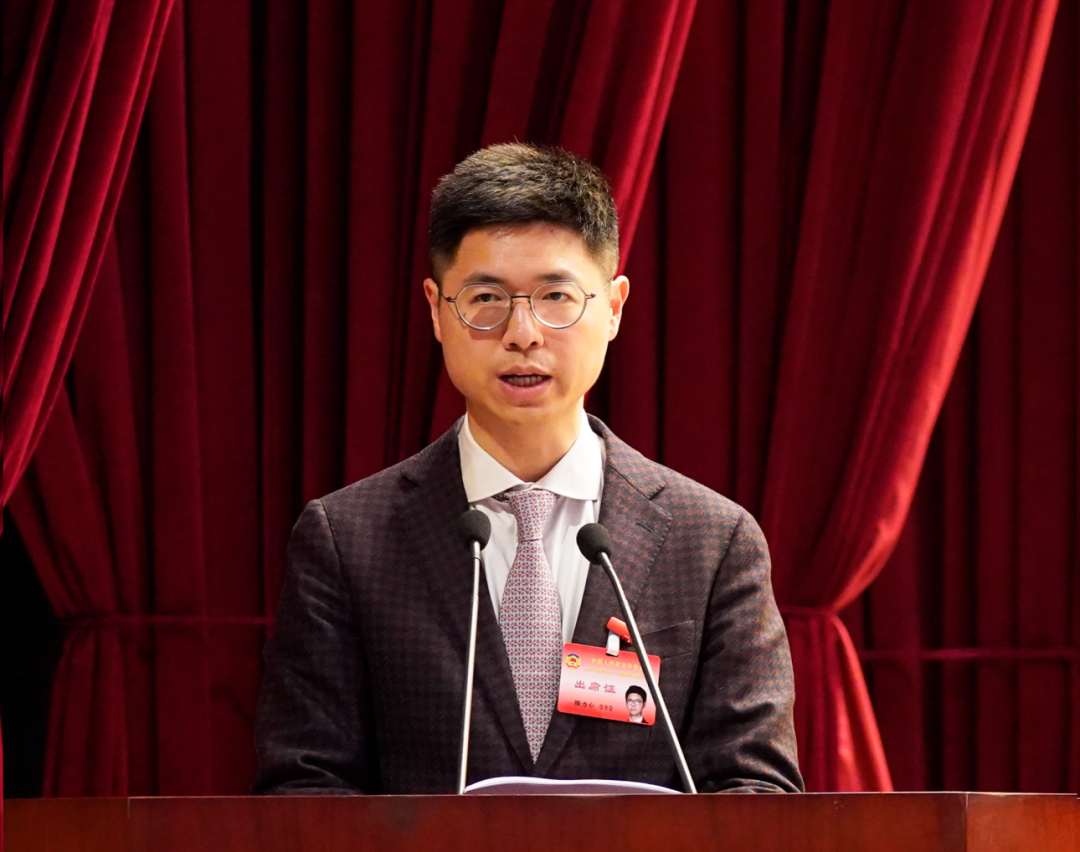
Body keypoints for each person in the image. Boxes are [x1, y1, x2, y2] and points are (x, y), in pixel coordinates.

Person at [253, 143, 803, 794]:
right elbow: (305, 788)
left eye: (555, 296)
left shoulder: (712, 542)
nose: (522, 333)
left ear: (614, 307)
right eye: (486, 297)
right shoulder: (347, 540)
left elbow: (755, 790)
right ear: (436, 309)